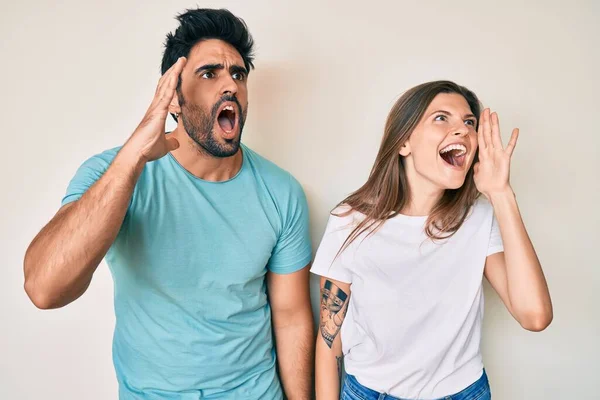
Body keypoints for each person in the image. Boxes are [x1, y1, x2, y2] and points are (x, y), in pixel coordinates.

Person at [23, 8, 314, 399]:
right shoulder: (111, 173)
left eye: (238, 74)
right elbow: (45, 289)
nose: (230, 85)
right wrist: (133, 157)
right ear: (174, 96)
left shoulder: (282, 192)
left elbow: (292, 316)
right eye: (209, 73)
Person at [312, 81, 553, 400]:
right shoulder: (350, 221)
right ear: (403, 143)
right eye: (442, 118)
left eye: (469, 122)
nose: (463, 131)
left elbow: (534, 315)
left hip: (462, 393)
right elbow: (329, 343)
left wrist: (500, 193)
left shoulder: (478, 218)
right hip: (369, 392)